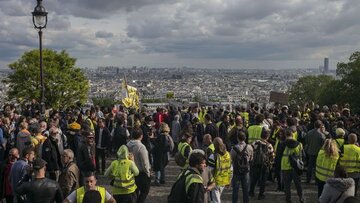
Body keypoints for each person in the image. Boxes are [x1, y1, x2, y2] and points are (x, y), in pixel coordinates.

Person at [127, 127, 151, 203]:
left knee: (135, 191)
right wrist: (148, 172)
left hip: (131, 171)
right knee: (145, 191)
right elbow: (145, 162)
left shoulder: (127, 145)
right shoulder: (141, 147)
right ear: (141, 136)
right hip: (141, 173)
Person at [249, 129, 274, 200]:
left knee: (254, 178)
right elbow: (272, 156)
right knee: (263, 180)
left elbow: (251, 150)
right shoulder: (269, 145)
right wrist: (270, 164)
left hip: (256, 163)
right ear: (268, 136)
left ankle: (251, 192)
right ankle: (261, 194)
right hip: (265, 165)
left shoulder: (255, 143)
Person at [281, 129, 305, 203]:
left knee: (287, 186)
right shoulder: (299, 144)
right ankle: (302, 199)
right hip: (296, 167)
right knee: (298, 184)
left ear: (285, 135)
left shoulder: (282, 144)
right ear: (292, 135)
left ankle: (288, 200)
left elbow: (278, 156)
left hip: (285, 167)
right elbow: (303, 156)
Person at [230, 130, 253, 203]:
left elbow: (232, 158)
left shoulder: (234, 148)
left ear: (237, 138)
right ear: (245, 138)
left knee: (235, 190)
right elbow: (251, 158)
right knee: (245, 190)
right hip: (246, 170)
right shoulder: (249, 147)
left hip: (236, 171)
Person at [208, 137, 232, 203]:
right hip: (224, 181)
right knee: (216, 199)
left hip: (215, 183)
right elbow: (230, 168)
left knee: (215, 201)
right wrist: (229, 180)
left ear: (214, 145)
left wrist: (209, 183)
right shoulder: (228, 154)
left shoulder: (213, 156)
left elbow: (209, 171)